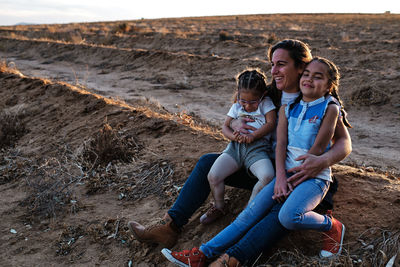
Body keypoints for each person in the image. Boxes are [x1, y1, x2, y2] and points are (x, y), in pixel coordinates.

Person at [128, 39, 352, 259]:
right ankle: (170, 226)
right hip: (263, 162)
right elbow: (237, 111)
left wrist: (322, 161)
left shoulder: (321, 101)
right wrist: (235, 123)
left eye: (281, 64)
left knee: (277, 209)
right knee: (208, 162)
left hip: (298, 172)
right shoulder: (267, 95)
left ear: (301, 66)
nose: (274, 70)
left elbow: (344, 143)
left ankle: (232, 258)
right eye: (272, 64)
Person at [200, 69, 276, 225]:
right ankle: (219, 206)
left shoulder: (266, 103)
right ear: (238, 95)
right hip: (235, 148)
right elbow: (225, 127)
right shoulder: (236, 106)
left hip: (257, 149)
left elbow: (271, 123)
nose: (247, 106)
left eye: (253, 102)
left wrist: (254, 136)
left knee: (267, 177)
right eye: (244, 101)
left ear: (263, 95)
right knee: (213, 176)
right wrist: (232, 136)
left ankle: (248, 211)